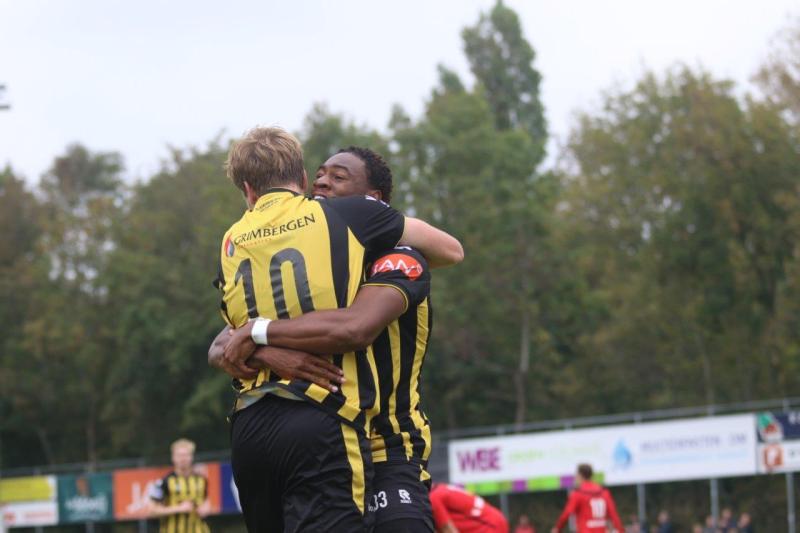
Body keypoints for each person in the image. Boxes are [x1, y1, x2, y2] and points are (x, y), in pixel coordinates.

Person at [214, 127, 462, 532]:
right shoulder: (318, 250)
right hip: (328, 430)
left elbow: (354, 327)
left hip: (385, 443)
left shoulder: (400, 257)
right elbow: (223, 343)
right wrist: (267, 350)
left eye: (339, 176)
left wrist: (259, 334)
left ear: (373, 201)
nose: (323, 183)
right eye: (319, 175)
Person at [147, 438, 211, 533]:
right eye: (179, 455)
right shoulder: (163, 482)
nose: (183, 459)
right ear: (173, 458)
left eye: (186, 455)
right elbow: (152, 510)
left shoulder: (201, 480)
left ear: (191, 457)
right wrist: (178, 508)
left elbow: (206, 501)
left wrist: (206, 509)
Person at [551, 464, 623, 533]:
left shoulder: (578, 494)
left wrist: (558, 528)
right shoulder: (604, 493)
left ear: (580, 476)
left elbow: (567, 513)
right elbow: (614, 515)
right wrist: (621, 531)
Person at [429, 483, 509, 533]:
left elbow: (448, 530)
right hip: (493, 520)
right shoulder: (441, 488)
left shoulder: (433, 498)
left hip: (488, 526)